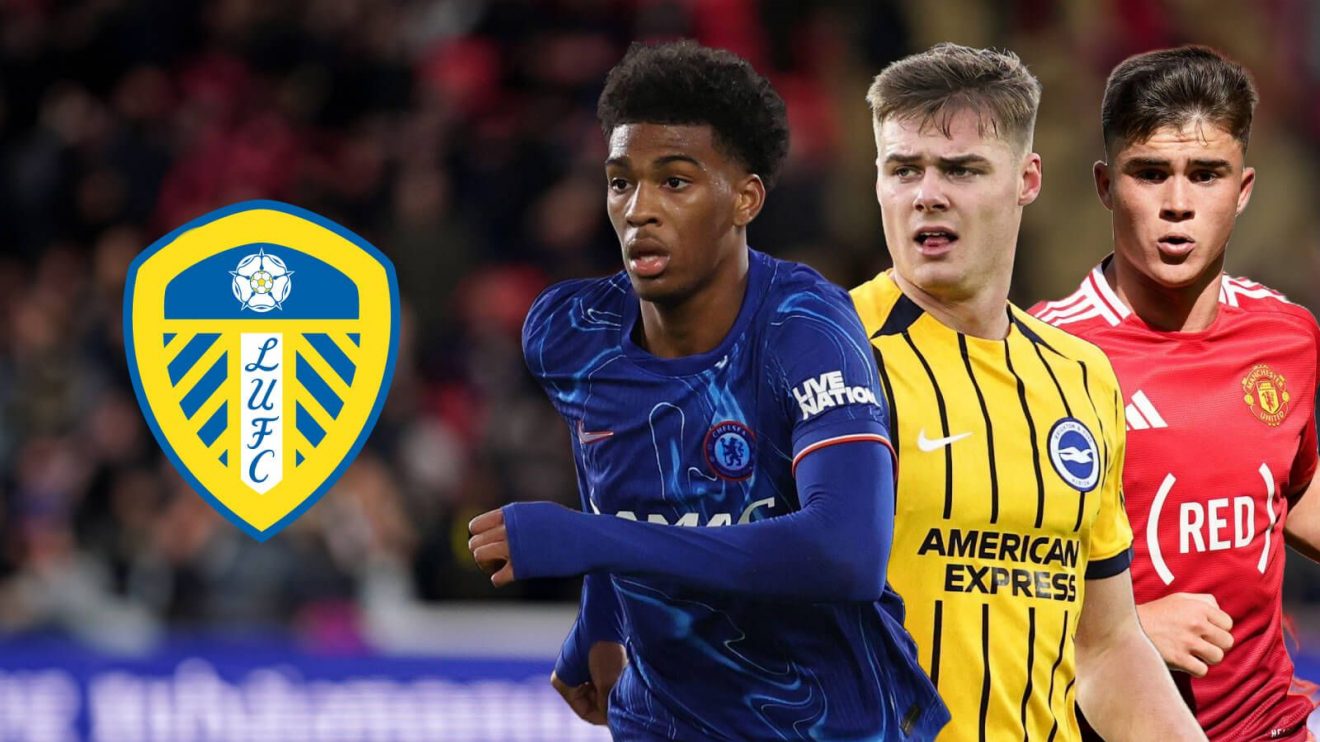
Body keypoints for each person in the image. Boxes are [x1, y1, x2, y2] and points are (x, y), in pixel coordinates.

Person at [466, 40, 948, 740]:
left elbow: (846, 552)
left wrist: (590, 542)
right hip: (662, 719)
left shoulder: (804, 326)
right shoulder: (571, 332)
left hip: (831, 724)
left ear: (744, 199)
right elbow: (617, 477)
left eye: (676, 182)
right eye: (621, 181)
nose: (639, 210)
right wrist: (600, 617)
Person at [850, 43, 1205, 741]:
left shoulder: (1081, 376)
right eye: (904, 169)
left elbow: (1103, 644)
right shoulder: (820, 355)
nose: (928, 192)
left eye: (960, 169)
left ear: (1026, 179)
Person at [1031, 45, 1320, 741]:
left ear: (1243, 189)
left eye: (1206, 174)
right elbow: (983, 579)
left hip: (1275, 722)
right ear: (1106, 185)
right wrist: (1117, 634)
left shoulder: (1287, 335)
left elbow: (1293, 496)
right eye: (1151, 173)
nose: (1179, 205)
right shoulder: (1045, 358)